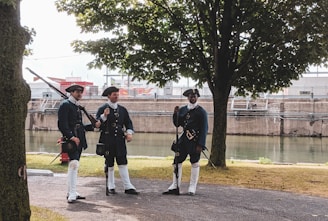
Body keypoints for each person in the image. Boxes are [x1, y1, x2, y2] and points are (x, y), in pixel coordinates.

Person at [163, 88, 208, 196]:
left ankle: (192, 187)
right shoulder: (183, 109)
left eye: (195, 96)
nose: (193, 98)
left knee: (195, 162)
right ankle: (175, 185)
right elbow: (177, 124)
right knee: (177, 162)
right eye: (191, 96)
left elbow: (204, 129)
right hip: (183, 141)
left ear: (197, 97)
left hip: (194, 141)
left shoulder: (201, 111)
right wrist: (175, 114)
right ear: (187, 98)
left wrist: (201, 144)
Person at [95, 86, 139, 195]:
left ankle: (127, 186)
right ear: (109, 96)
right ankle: (111, 185)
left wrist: (129, 133)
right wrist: (104, 116)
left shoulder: (122, 109)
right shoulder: (102, 109)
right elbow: (97, 125)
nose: (116, 96)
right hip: (107, 139)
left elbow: (128, 123)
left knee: (122, 161)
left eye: (117, 94)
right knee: (109, 163)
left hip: (119, 139)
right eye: (114, 94)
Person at [58, 84, 88, 203]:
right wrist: (71, 137)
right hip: (72, 139)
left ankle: (72, 191)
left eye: (81, 92)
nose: (80, 94)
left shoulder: (76, 106)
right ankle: (72, 193)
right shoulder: (65, 105)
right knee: (74, 164)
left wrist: (93, 126)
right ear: (71, 92)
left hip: (79, 137)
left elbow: (79, 124)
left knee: (74, 165)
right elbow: (62, 124)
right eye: (77, 92)